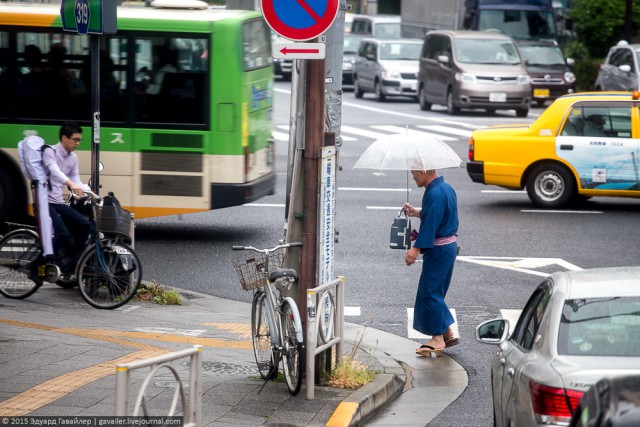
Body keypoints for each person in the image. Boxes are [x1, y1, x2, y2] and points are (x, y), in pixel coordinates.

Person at [403, 168, 459, 357]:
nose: (413, 176)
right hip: (448, 246)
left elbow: (432, 224)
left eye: (414, 173)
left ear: (424, 171)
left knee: (430, 292)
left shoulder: (434, 193)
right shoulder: (446, 188)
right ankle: (447, 332)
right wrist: (418, 213)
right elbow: (438, 215)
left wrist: (415, 249)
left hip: (439, 249)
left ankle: (437, 338)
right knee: (435, 291)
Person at [42, 122, 91, 271]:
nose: (78, 143)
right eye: (75, 139)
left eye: (79, 140)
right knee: (62, 233)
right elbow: (54, 170)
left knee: (84, 225)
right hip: (45, 201)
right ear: (64, 138)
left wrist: (92, 193)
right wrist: (71, 184)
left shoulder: (73, 158)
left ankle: (71, 262)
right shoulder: (50, 152)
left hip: (58, 202)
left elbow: (76, 179)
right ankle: (41, 264)